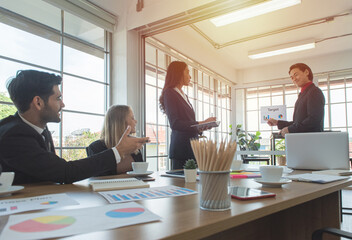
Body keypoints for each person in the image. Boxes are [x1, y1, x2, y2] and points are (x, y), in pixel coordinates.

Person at [0, 70, 149, 184]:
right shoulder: (14, 135)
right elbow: (65, 172)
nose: (63, 104)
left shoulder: (40, 130)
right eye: (58, 98)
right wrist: (118, 151)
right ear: (38, 102)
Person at [159, 61, 216, 169]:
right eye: (187, 72)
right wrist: (201, 123)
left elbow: (188, 122)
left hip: (192, 149)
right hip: (181, 150)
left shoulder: (183, 95)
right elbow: (175, 123)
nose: (190, 76)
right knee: (182, 184)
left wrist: (202, 127)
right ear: (179, 73)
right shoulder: (170, 93)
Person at [267, 63, 325, 137]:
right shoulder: (303, 94)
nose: (294, 79)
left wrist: (290, 129)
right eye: (291, 77)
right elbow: (297, 123)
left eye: (296, 75)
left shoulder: (314, 92)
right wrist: (277, 122)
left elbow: (313, 119)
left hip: (311, 140)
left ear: (306, 72)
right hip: (302, 140)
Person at [87, 105, 146, 175]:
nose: (136, 121)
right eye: (132, 118)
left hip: (137, 185)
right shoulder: (95, 148)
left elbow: (141, 173)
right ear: (121, 122)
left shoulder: (134, 146)